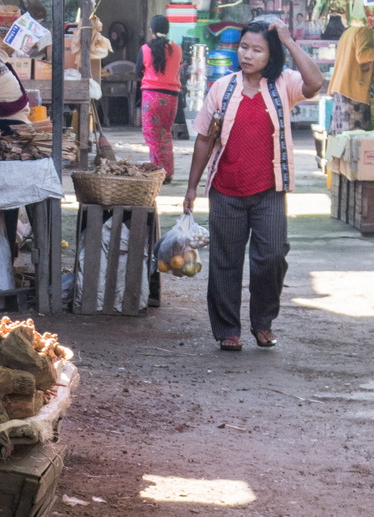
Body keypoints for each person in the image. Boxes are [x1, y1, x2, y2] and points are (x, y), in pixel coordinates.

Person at [184, 19, 323, 351]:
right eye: (244, 47)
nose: (247, 54)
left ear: (270, 54)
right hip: (226, 191)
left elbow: (315, 82)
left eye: (257, 49)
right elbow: (204, 139)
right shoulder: (222, 87)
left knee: (272, 257)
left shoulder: (284, 84)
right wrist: (191, 187)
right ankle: (228, 330)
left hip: (269, 192)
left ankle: (263, 323)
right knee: (225, 262)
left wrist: (289, 41)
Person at [136, 15, 183, 181]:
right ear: (168, 30)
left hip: (151, 96)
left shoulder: (145, 49)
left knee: (151, 133)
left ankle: (162, 171)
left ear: (151, 30)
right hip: (171, 97)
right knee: (165, 133)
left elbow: (137, 71)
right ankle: (163, 170)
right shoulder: (177, 49)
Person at [327, 6, 374, 135]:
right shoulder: (365, 30)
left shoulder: (348, 31)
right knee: (356, 139)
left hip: (341, 89)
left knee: (343, 139)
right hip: (353, 92)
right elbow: (363, 56)